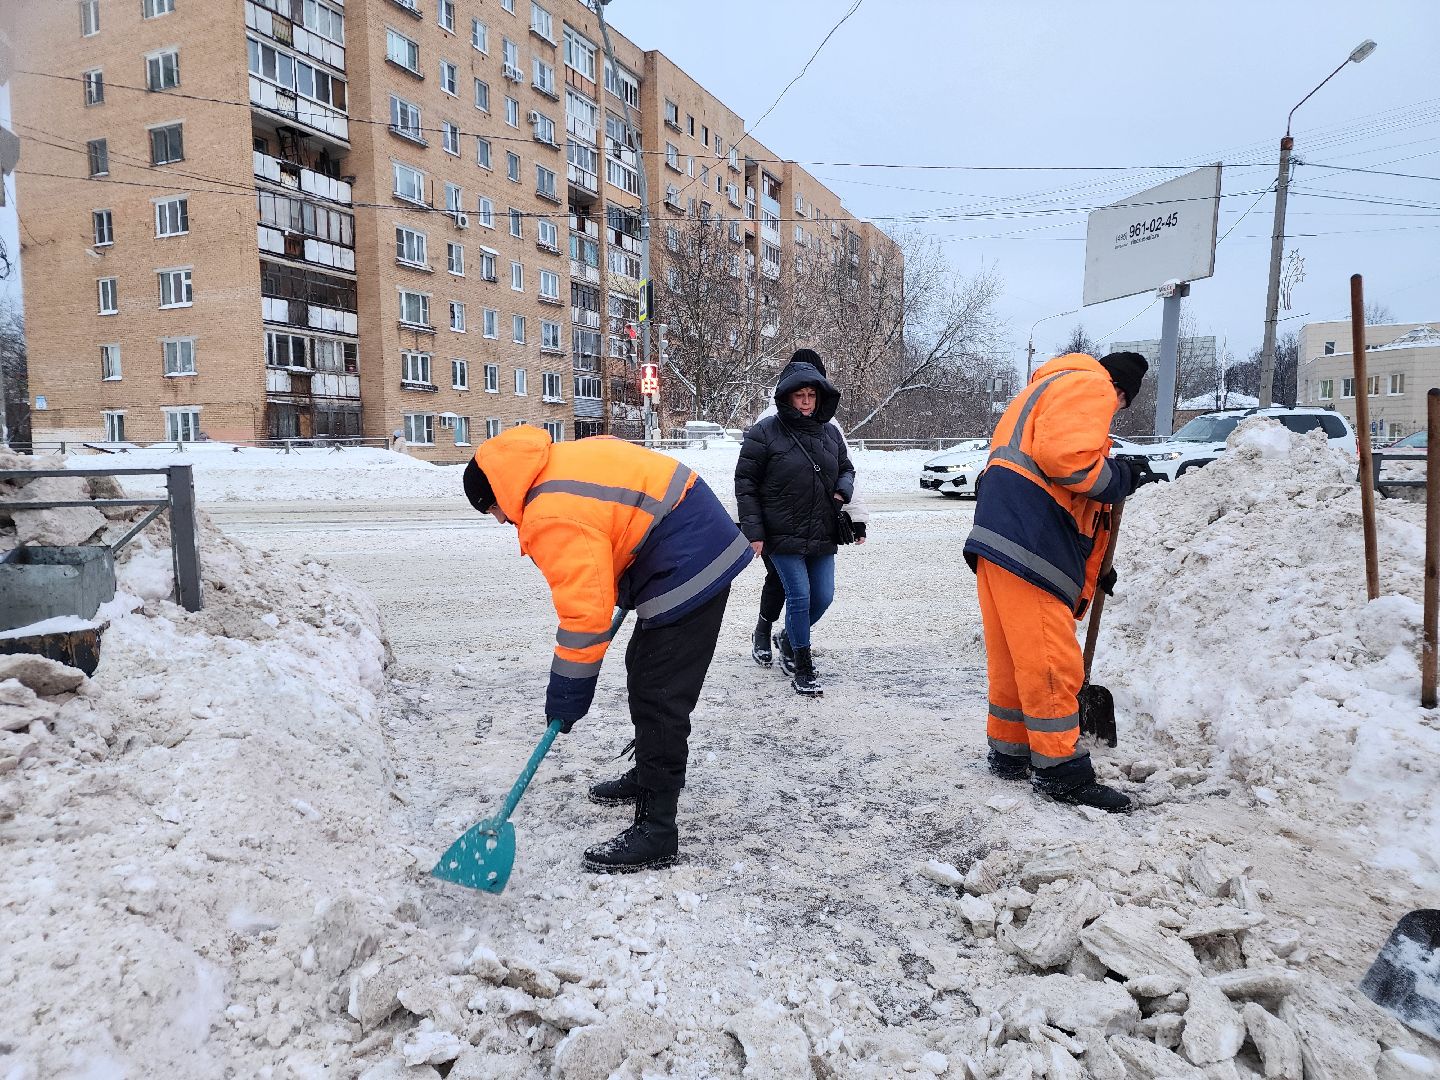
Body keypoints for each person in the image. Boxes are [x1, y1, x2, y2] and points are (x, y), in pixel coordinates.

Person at [463, 426, 753, 872]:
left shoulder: (547, 513)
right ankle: (646, 777)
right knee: (643, 665)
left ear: (501, 491)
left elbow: (585, 617)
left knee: (660, 694)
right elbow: (613, 518)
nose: (501, 520)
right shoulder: (559, 460)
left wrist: (566, 698)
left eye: (493, 509)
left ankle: (657, 830)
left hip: (690, 556)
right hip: (689, 531)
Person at [962, 350, 1148, 813]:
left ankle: (1010, 753)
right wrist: (1121, 476)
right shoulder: (1092, 386)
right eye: (1120, 403)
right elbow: (1067, 462)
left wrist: (1096, 572)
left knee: (1013, 657)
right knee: (1050, 661)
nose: (1114, 409)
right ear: (1121, 391)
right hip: (1031, 541)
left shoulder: (1042, 391)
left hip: (997, 537)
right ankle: (1061, 772)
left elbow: (1071, 501)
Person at [734, 350, 856, 696]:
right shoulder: (764, 432)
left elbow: (846, 469)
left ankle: (787, 636)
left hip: (820, 529)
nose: (806, 402)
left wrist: (841, 495)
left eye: (812, 395)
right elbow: (746, 484)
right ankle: (802, 663)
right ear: (787, 396)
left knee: (825, 596)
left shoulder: (830, 434)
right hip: (780, 531)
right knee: (798, 595)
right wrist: (754, 532)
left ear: (820, 397)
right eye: (800, 396)